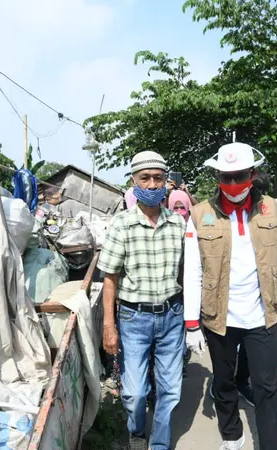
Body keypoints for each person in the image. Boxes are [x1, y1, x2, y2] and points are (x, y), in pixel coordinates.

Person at [183, 142, 277, 450]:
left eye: (239, 176)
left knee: (267, 387)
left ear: (252, 174)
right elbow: (193, 271)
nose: (232, 184)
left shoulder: (271, 207)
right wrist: (192, 325)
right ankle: (232, 435)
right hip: (220, 316)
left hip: (260, 315)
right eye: (225, 177)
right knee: (224, 382)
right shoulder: (200, 214)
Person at [99, 151, 187, 450]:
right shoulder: (122, 225)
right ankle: (136, 430)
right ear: (134, 182)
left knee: (170, 389)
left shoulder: (178, 225)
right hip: (134, 319)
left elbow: (188, 273)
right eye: (145, 178)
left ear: (167, 182)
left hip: (172, 315)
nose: (152, 185)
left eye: (158, 178)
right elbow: (109, 279)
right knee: (135, 392)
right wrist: (109, 326)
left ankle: (159, 443)